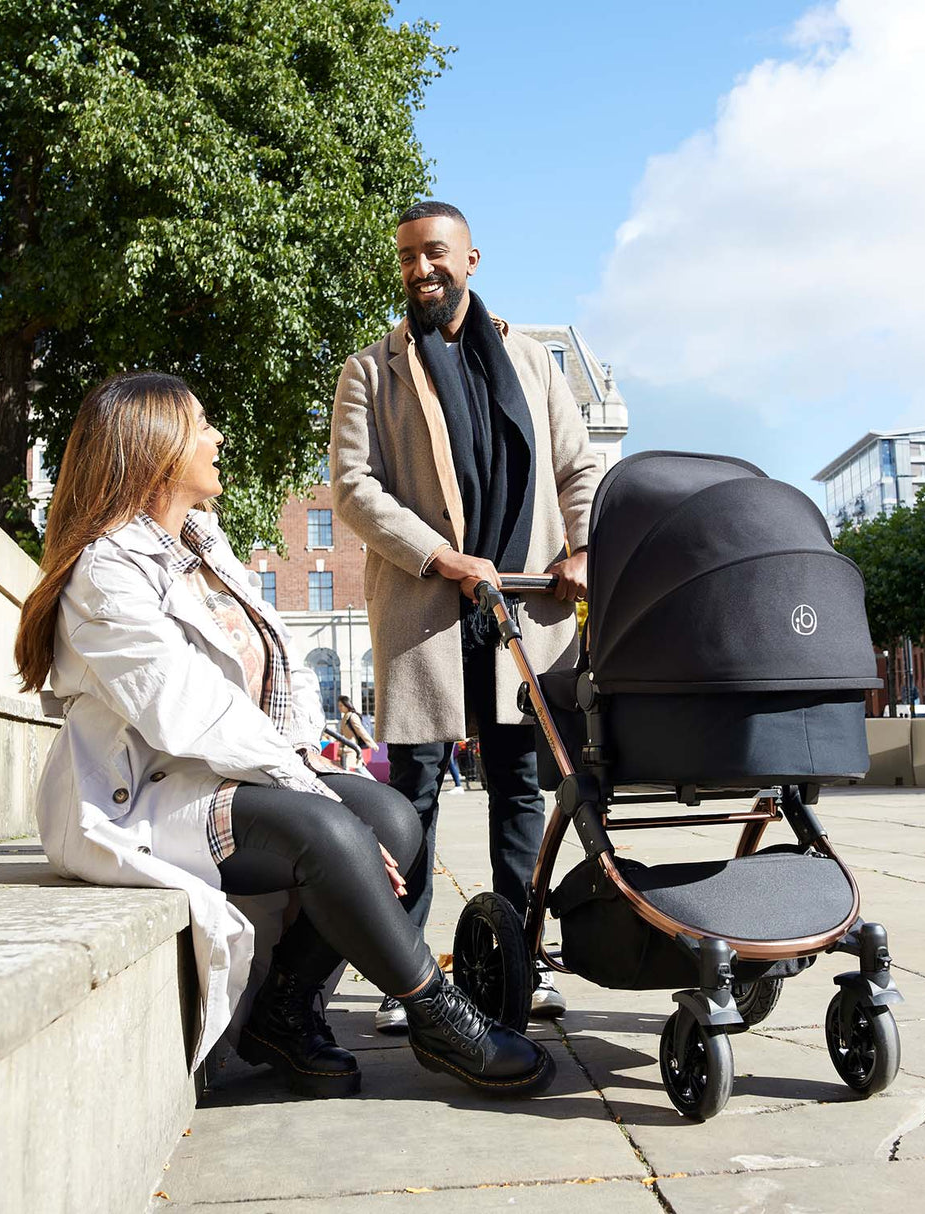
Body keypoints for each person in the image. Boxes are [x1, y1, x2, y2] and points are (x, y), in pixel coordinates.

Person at [14, 371, 555, 1099]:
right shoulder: (108, 572)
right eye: (201, 424)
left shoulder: (202, 546)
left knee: (391, 818)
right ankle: (440, 1016)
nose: (218, 438)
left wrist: (310, 764)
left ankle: (285, 1013)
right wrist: (313, 793)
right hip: (138, 798)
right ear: (155, 448)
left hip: (224, 774)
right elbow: (189, 713)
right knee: (332, 829)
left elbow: (283, 670)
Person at [331, 201, 600, 1033]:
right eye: (408, 257)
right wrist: (440, 557)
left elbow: (576, 468)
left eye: (436, 254)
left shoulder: (533, 360)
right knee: (412, 793)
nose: (421, 270)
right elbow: (353, 488)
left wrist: (584, 551)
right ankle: (404, 974)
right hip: (425, 609)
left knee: (522, 786)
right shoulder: (370, 371)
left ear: (472, 259)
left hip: (526, 604)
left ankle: (520, 960)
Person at [337, 694, 374, 770]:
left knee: (356, 770)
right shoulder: (344, 717)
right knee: (357, 770)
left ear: (347, 705)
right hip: (345, 749)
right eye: (339, 706)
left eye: (341, 705)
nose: (339, 708)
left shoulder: (352, 716)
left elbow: (361, 731)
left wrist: (372, 744)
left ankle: (373, 781)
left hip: (351, 749)